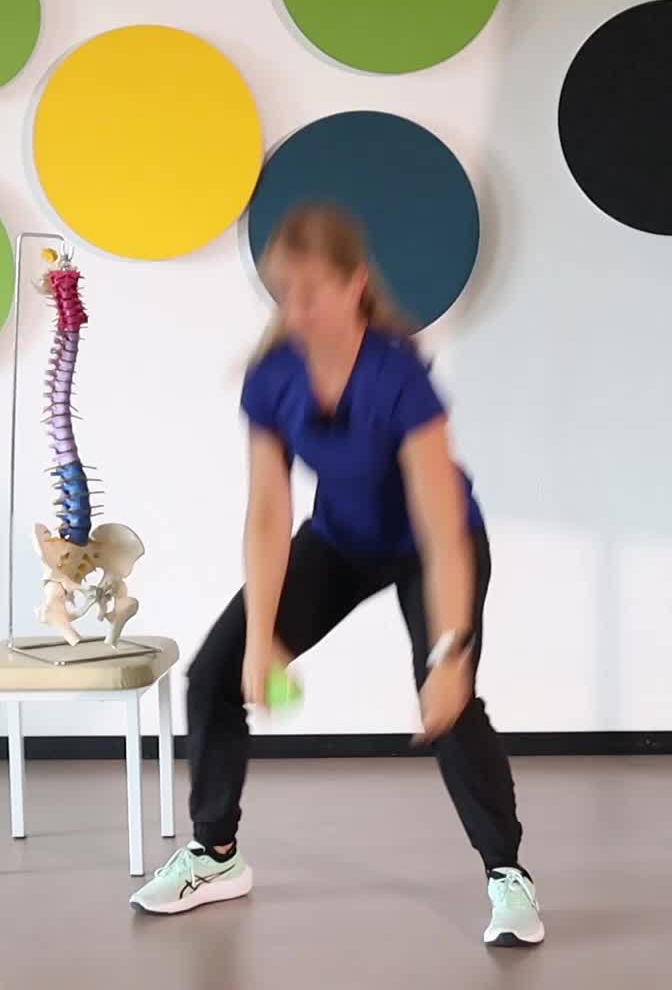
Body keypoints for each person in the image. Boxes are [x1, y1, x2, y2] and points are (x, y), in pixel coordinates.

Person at [129, 201, 543, 948]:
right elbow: (267, 511)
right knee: (215, 674)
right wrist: (262, 639)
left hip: (430, 545)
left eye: (311, 290)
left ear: (355, 284)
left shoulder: (397, 375)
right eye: (284, 291)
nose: (296, 308)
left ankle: (507, 875)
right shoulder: (273, 378)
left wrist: (450, 651)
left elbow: (441, 524)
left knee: (448, 703)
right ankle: (215, 854)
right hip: (341, 541)